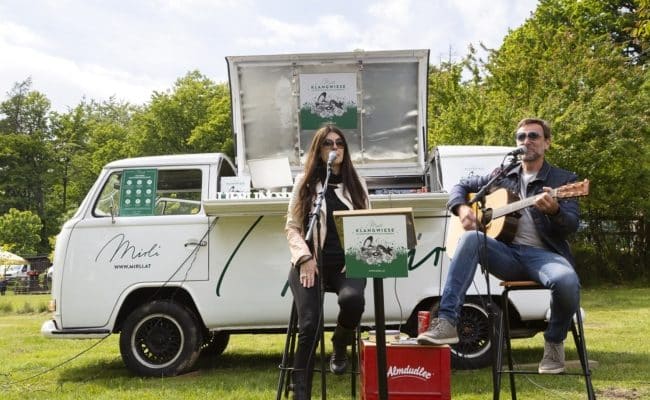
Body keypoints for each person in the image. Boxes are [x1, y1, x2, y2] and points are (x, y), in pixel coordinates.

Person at [417, 118, 581, 374]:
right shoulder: (503, 174)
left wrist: (556, 210)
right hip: (508, 256)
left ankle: (554, 341)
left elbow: (571, 224)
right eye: (521, 137)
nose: (527, 141)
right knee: (471, 238)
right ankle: (447, 321)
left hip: (545, 257)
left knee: (567, 282)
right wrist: (462, 209)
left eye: (534, 136)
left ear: (547, 142)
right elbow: (461, 185)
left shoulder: (564, 180)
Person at [285, 124, 370, 399]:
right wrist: (305, 258)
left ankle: (340, 342)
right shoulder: (306, 184)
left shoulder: (357, 183)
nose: (335, 148)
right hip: (311, 263)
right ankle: (301, 393)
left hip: (347, 263)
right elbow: (292, 228)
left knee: (352, 301)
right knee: (310, 324)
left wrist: (356, 254)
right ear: (319, 151)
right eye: (328, 144)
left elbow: (368, 224)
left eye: (340, 144)